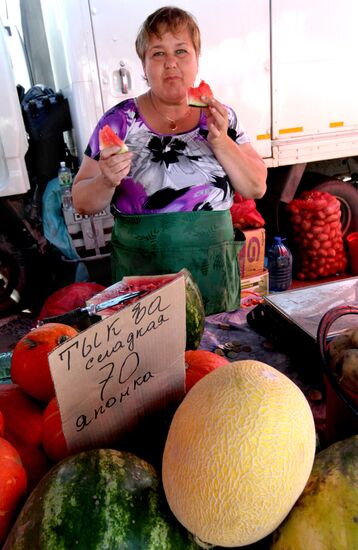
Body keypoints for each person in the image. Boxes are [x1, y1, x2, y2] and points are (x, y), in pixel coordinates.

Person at [72, 6, 267, 315]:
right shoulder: (119, 121)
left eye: (181, 51)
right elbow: (81, 201)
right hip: (141, 275)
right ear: (144, 64)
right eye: (158, 54)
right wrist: (107, 180)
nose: (171, 63)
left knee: (214, 357)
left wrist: (220, 140)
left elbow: (256, 186)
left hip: (212, 273)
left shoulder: (221, 117)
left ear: (197, 58)